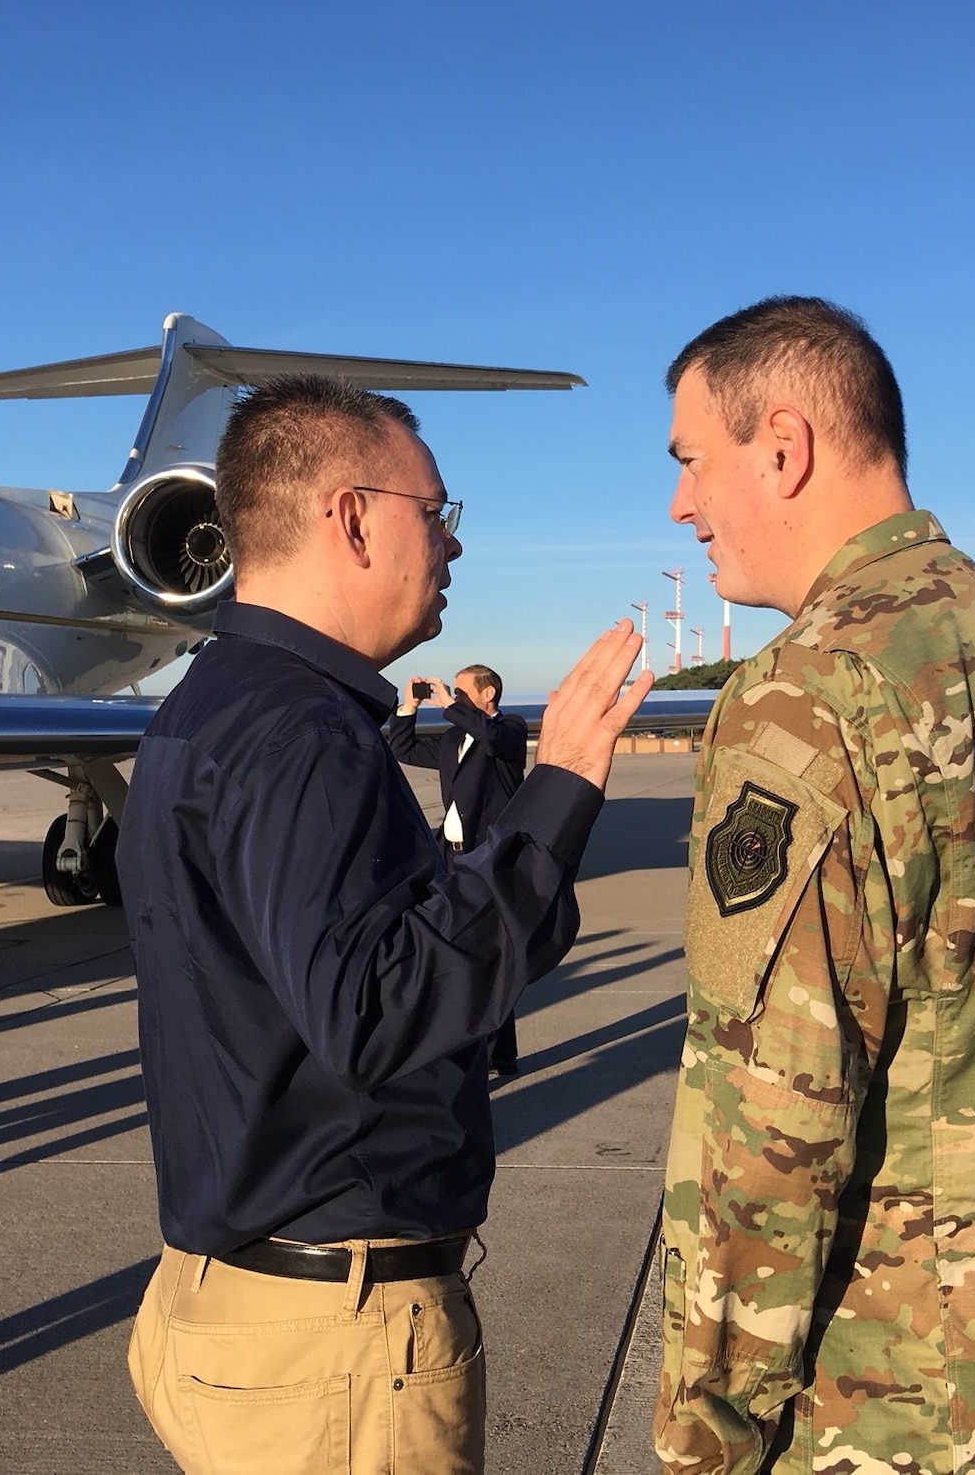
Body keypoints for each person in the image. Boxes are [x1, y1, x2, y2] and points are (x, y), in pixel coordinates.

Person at [116, 374, 652, 1475]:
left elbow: (337, 979)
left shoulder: (212, 701)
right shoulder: (298, 730)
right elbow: (375, 1008)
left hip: (240, 1302)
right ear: (351, 516)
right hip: (332, 1348)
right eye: (435, 513)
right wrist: (557, 789)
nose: (451, 546)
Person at [653, 298, 975, 1475]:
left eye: (688, 462)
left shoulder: (810, 689)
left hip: (892, 1388)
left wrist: (706, 1429)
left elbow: (767, 1115)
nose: (680, 505)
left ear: (783, 446)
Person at [386, 666, 531, 1076]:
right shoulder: (452, 739)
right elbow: (403, 748)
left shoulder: (509, 732)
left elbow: (489, 736)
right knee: (476, 953)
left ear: (488, 695)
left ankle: (487, 1056)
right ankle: (500, 1055)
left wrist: (449, 704)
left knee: (486, 954)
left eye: (464, 693)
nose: (454, 699)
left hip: (489, 859)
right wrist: (409, 706)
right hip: (452, 858)